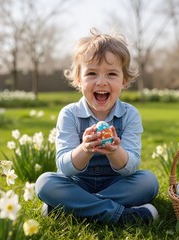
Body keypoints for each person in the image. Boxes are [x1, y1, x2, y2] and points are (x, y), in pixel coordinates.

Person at [35, 29, 159, 225]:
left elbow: (130, 168)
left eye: (111, 74)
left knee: (149, 182)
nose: (101, 82)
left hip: (116, 183)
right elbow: (64, 167)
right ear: (78, 80)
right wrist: (85, 148)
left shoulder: (130, 115)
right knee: (45, 183)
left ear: (123, 81)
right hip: (78, 184)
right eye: (91, 73)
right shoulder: (69, 114)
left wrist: (114, 151)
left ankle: (71, 207)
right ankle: (122, 216)